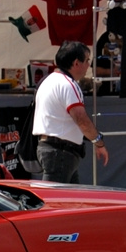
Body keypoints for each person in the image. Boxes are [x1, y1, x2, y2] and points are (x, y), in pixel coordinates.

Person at [31, 41, 110, 183]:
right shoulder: (67, 84)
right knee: (56, 201)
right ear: (76, 63)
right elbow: (81, 120)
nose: (88, 66)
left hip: (56, 150)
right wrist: (99, 142)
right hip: (60, 151)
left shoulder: (49, 80)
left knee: (71, 199)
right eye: (87, 61)